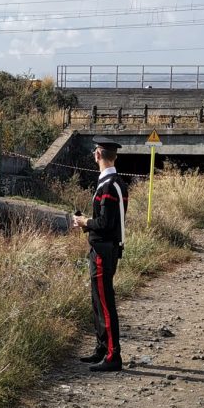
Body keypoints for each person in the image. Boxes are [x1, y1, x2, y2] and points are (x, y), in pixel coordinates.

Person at [72, 137, 129, 372]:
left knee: (105, 303)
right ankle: (101, 349)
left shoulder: (109, 185)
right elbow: (111, 222)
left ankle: (113, 356)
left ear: (97, 155)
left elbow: (106, 223)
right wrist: (87, 225)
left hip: (103, 251)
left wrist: (86, 221)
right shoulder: (112, 183)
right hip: (104, 248)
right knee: (97, 301)